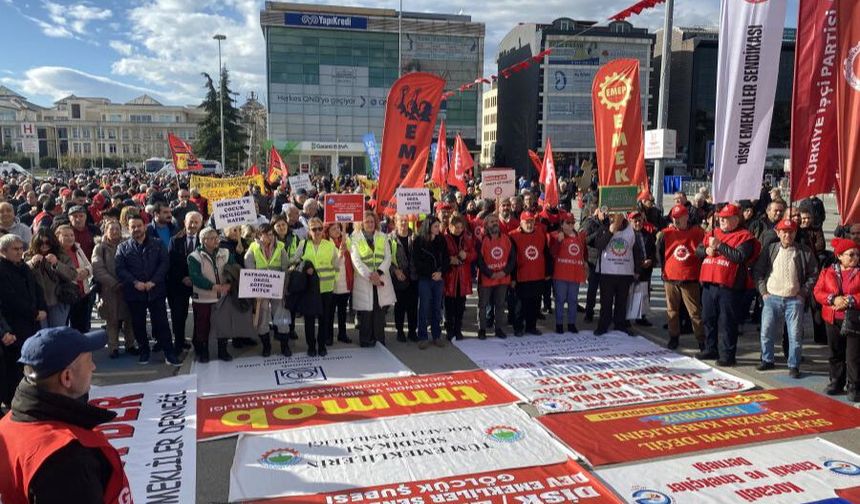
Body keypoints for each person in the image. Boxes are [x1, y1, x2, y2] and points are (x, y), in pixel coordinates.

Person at [0, 327, 132, 503]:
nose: (93, 367)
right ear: (67, 377)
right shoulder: (68, 460)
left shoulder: (8, 424)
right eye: (89, 360)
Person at [753, 219, 818, 378]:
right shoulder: (770, 249)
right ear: (778, 233)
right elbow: (758, 272)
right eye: (784, 231)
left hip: (794, 300)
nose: (787, 234)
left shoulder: (804, 251)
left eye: (790, 231)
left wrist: (803, 292)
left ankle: (794, 364)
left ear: (795, 233)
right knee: (766, 331)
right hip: (772, 297)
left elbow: (814, 274)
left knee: (795, 335)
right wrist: (763, 292)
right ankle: (767, 359)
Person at [115, 214, 182, 366]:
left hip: (156, 291)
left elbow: (164, 264)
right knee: (138, 324)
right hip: (134, 292)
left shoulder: (157, 244)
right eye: (133, 227)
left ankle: (169, 352)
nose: (136, 229)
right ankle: (144, 351)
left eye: (139, 225)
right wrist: (134, 282)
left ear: (144, 226)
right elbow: (120, 269)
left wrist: (153, 281)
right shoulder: (122, 247)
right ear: (128, 228)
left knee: (162, 323)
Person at [697, 204, 759, 367]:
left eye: (726, 218)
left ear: (736, 219)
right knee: (708, 318)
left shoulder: (745, 237)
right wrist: (706, 251)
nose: (722, 221)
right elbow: (698, 251)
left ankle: (727, 355)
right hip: (709, 284)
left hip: (729, 287)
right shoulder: (712, 233)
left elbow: (739, 256)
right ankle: (711, 348)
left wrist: (719, 246)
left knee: (727, 322)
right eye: (721, 218)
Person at [0, 234, 46, 407]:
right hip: (14, 325)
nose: (20, 252)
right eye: (15, 249)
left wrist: (42, 307)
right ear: (3, 251)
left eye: (21, 248)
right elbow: (10, 298)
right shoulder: (2, 270)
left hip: (32, 324)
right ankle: (16, 401)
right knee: (16, 366)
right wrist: (33, 312)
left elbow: (37, 288)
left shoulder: (24, 267)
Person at [814, 238, 860, 402]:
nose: (855, 258)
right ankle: (836, 382)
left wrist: (850, 300)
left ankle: (854, 385)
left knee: (853, 356)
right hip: (833, 318)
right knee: (835, 353)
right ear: (840, 256)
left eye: (857, 254)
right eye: (851, 254)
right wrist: (833, 299)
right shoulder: (828, 271)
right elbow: (818, 292)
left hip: (854, 319)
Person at [657, 204, 706, 350]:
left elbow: (703, 252)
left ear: (686, 217)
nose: (677, 221)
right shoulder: (665, 233)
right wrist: (663, 269)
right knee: (672, 310)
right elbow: (659, 252)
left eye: (680, 218)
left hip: (689, 277)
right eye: (674, 218)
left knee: (694, 311)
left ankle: (701, 339)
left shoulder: (697, 233)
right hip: (671, 277)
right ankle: (674, 337)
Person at [91, 220, 137, 358]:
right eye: (112, 229)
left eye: (117, 229)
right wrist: (114, 283)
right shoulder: (100, 248)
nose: (115, 232)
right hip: (109, 290)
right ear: (106, 231)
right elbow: (98, 268)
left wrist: (129, 280)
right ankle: (113, 347)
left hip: (128, 287)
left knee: (130, 318)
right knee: (112, 320)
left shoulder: (128, 244)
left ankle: (130, 344)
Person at [188, 227, 234, 362]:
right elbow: (196, 277)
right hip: (203, 298)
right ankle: (203, 352)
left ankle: (222, 350)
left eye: (217, 237)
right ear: (203, 240)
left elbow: (233, 268)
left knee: (223, 325)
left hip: (223, 297)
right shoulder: (194, 257)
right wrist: (214, 287)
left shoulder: (225, 253)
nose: (216, 240)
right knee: (203, 326)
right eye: (212, 238)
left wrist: (230, 283)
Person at [245, 223, 292, 357]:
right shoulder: (253, 247)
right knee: (263, 318)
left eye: (271, 234)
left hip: (277, 288)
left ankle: (285, 346)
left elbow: (285, 267)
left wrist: (284, 288)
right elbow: (249, 266)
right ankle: (266, 347)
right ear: (260, 235)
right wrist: (255, 289)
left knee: (281, 316)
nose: (270, 237)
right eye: (267, 234)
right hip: (262, 289)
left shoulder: (280, 247)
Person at [293, 217, 338, 357]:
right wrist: (304, 268)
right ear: (309, 231)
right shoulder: (303, 244)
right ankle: (311, 346)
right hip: (309, 289)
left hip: (326, 288)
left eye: (320, 228)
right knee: (310, 320)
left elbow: (336, 266)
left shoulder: (330, 245)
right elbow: (294, 262)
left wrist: (332, 281)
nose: (317, 231)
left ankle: (322, 345)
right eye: (314, 229)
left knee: (324, 319)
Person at [593, 213, 642, 336]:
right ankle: (603, 325)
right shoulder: (605, 228)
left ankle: (620, 324)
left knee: (622, 301)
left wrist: (637, 270)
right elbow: (599, 245)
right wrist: (611, 231)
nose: (614, 218)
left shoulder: (631, 231)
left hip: (625, 273)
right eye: (612, 216)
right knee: (606, 302)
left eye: (617, 216)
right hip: (607, 273)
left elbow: (637, 251)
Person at [24, 229, 77, 328]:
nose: (44, 245)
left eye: (48, 242)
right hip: (37, 303)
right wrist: (31, 263)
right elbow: (20, 274)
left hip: (58, 300)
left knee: (57, 333)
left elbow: (73, 275)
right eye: (40, 243)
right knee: (42, 334)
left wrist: (57, 264)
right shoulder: (28, 256)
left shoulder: (61, 255)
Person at [167, 211, 203, 351]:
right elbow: (171, 263)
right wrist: (183, 278)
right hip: (179, 284)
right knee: (178, 316)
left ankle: (198, 342)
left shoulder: (204, 240)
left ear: (200, 224)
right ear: (184, 223)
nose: (193, 225)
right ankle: (179, 342)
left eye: (196, 222)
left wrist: (195, 279)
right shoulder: (175, 240)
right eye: (190, 222)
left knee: (200, 315)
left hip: (199, 284)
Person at [510, 211, 549, 336]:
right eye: (527, 222)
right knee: (520, 305)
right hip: (521, 276)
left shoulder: (540, 234)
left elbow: (546, 253)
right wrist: (512, 277)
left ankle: (531, 327)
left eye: (532, 221)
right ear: (521, 222)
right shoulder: (513, 236)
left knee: (535, 304)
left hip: (538, 275)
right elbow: (511, 260)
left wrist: (548, 272)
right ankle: (518, 327)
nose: (530, 224)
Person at [476, 214, 515, 339]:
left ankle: (499, 328)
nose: (495, 224)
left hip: (503, 278)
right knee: (483, 305)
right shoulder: (482, 240)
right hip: (487, 279)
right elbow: (480, 261)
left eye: (496, 221)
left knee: (500, 305)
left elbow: (512, 258)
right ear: (486, 225)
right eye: (492, 222)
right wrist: (491, 273)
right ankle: (482, 329)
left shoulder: (506, 238)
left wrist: (504, 272)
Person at [413, 216, 449, 348]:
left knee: (436, 307)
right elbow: (417, 262)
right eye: (435, 226)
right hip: (425, 279)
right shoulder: (419, 241)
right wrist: (430, 273)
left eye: (438, 226)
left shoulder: (441, 240)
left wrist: (441, 273)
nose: (438, 228)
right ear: (428, 227)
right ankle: (422, 336)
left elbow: (446, 259)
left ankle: (436, 335)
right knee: (423, 307)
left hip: (438, 279)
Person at [549, 213, 587, 334]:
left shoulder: (579, 236)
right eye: (567, 223)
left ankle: (572, 323)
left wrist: (585, 264)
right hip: (560, 274)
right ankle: (559, 324)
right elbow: (552, 252)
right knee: (560, 300)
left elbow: (583, 252)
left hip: (574, 274)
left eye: (572, 223)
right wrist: (558, 242)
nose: (570, 225)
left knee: (573, 300)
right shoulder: (555, 235)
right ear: (562, 223)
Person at [55, 225, 93, 333]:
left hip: (82, 293)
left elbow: (89, 265)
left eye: (72, 235)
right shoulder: (55, 253)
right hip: (66, 295)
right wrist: (75, 274)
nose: (70, 238)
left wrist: (86, 271)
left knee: (81, 328)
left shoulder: (77, 248)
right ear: (57, 237)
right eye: (65, 235)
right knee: (65, 328)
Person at [443, 215, 476, 341]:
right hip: (450, 276)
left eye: (461, 227)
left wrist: (466, 255)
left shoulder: (467, 237)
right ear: (450, 226)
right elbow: (441, 255)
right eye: (456, 227)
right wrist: (450, 259)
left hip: (462, 276)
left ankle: (458, 329)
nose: (459, 230)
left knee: (460, 305)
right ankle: (449, 329)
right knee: (449, 305)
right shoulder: (445, 238)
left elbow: (474, 254)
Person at [390, 214, 418, 342]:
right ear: (395, 222)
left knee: (413, 307)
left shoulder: (415, 237)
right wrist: (395, 271)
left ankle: (412, 332)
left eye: (406, 221)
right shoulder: (390, 239)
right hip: (399, 277)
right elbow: (386, 259)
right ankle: (400, 331)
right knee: (400, 306)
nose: (403, 223)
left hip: (413, 276)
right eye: (401, 221)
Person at [327, 222, 353, 344]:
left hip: (345, 281)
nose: (337, 230)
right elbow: (332, 263)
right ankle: (329, 336)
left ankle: (342, 334)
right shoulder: (327, 244)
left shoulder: (346, 240)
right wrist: (340, 253)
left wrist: (347, 245)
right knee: (330, 312)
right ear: (328, 231)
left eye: (338, 228)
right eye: (333, 229)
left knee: (343, 311)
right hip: (332, 283)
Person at [582, 206, 607, 322]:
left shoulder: (609, 223)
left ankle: (604, 314)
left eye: (607, 212)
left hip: (607, 261)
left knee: (605, 291)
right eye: (603, 212)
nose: (605, 214)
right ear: (598, 211)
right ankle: (589, 313)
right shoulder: (589, 222)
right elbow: (585, 240)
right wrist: (599, 231)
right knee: (592, 289)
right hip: (593, 261)